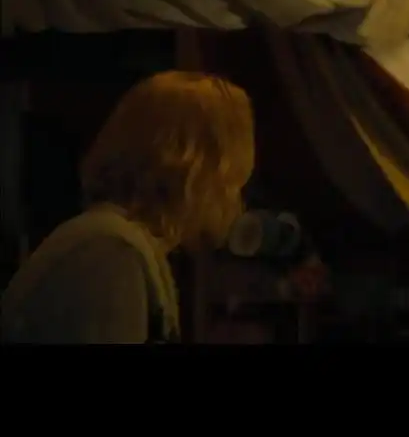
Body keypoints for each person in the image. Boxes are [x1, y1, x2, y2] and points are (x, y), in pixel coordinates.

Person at [1, 71, 255, 344]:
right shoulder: (110, 253)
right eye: (232, 178)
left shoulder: (118, 243)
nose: (234, 195)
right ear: (197, 171)